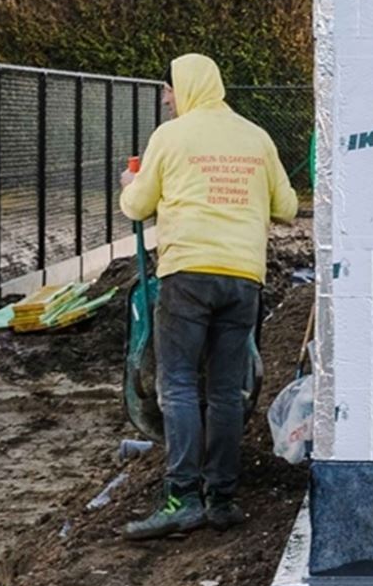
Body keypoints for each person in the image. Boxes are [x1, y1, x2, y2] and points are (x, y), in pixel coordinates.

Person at [116, 53, 299, 539]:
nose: (167, 100)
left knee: (176, 384)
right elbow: (286, 207)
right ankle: (222, 498)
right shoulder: (256, 137)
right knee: (224, 390)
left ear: (187, 87)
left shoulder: (171, 137)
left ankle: (182, 497)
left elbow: (137, 206)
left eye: (169, 90)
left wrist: (130, 183)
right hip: (243, 278)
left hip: (188, 276)